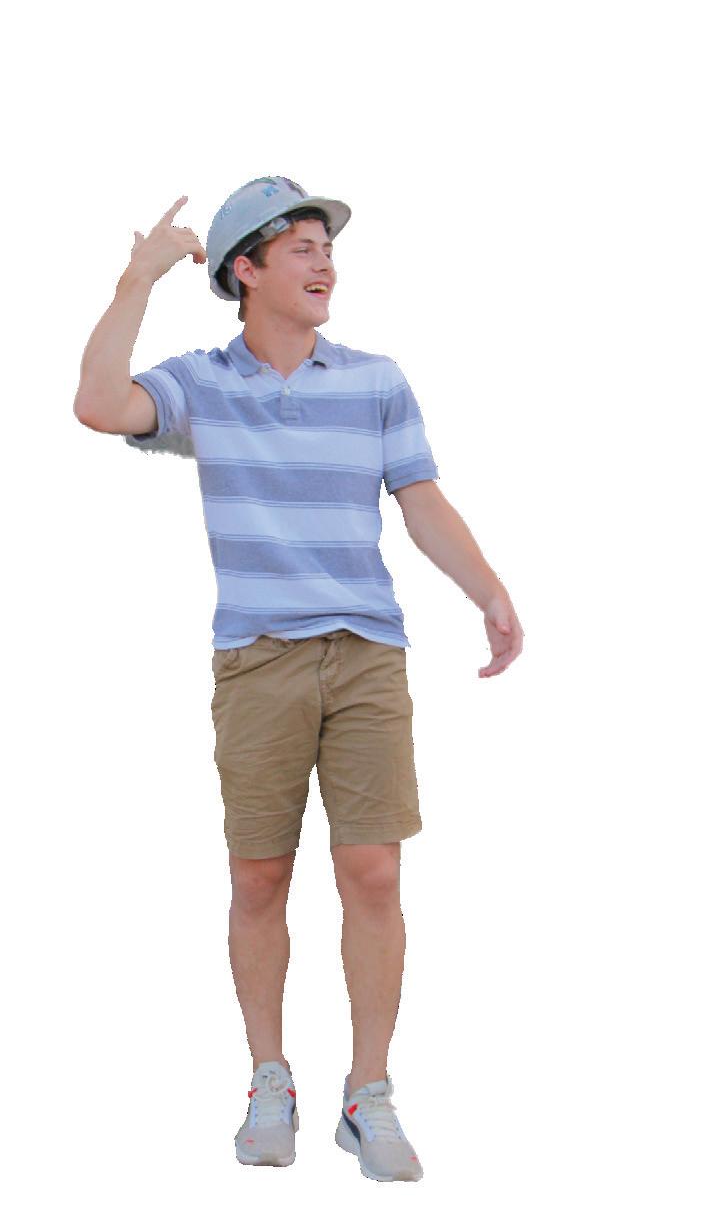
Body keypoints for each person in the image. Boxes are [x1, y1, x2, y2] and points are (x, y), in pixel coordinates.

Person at [74, 175, 524, 1182]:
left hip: (366, 655)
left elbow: (420, 500)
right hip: (257, 660)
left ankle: (369, 1094)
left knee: (373, 872)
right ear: (247, 269)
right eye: (304, 249)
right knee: (258, 877)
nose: (327, 265)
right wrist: (138, 278)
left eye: (329, 249)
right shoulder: (201, 385)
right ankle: (268, 1079)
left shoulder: (375, 380)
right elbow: (99, 404)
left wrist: (490, 592)